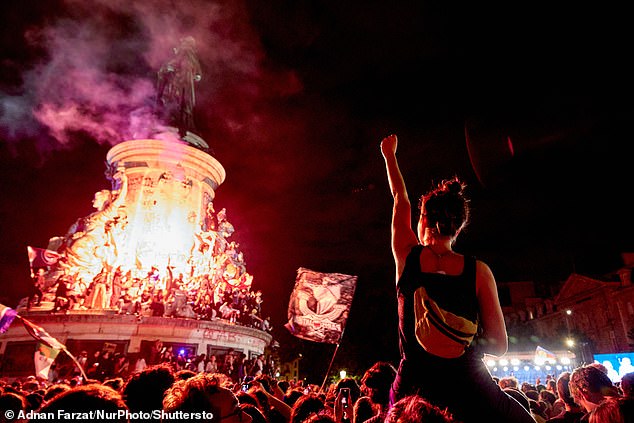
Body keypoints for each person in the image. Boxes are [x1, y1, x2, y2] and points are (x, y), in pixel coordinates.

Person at [380, 134, 535, 422]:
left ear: (422, 219)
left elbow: (399, 198)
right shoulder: (479, 271)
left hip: (414, 390)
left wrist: (390, 155)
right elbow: (499, 346)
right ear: (460, 225)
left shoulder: (406, 255)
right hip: (469, 385)